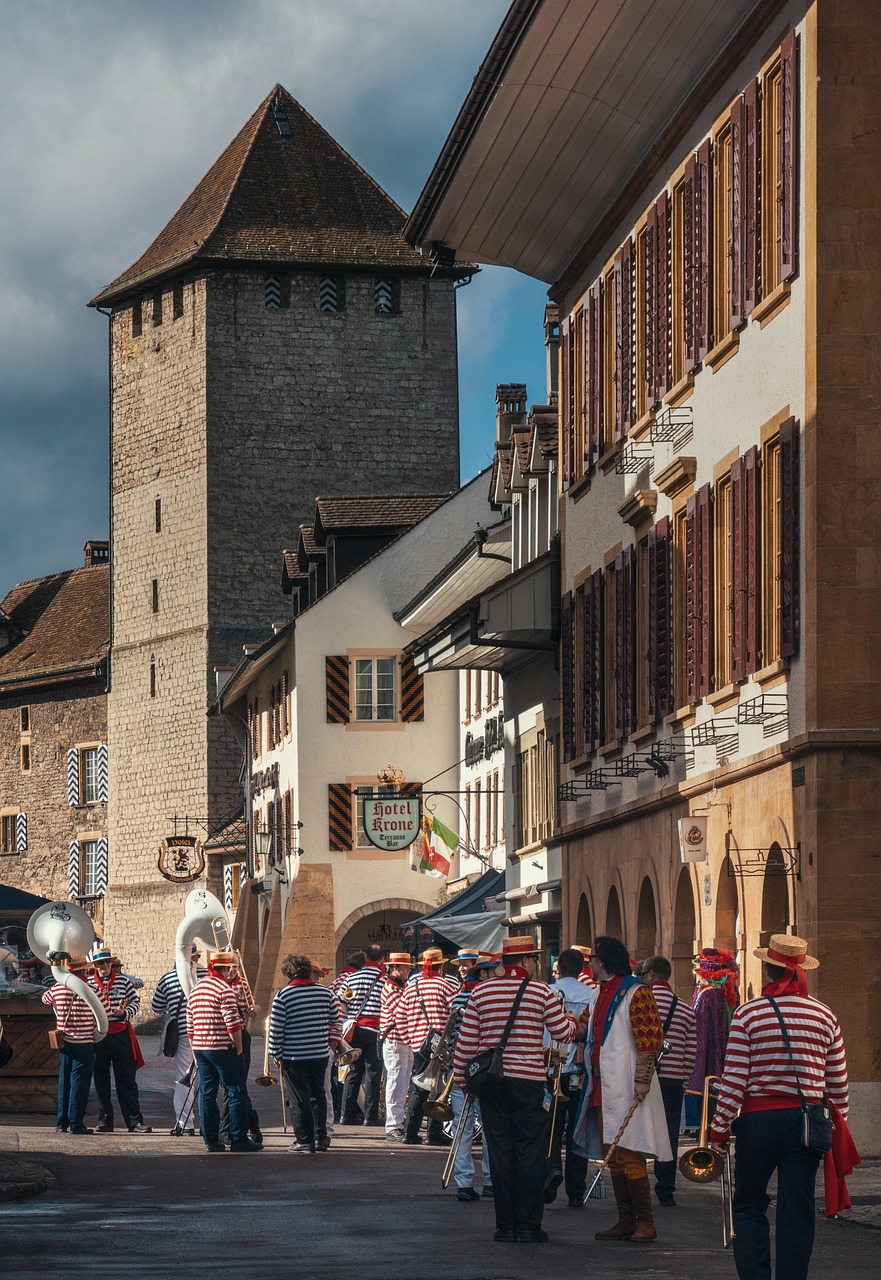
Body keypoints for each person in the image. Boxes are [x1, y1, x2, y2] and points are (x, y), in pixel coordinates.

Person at [709, 934, 849, 1280]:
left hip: (758, 1123)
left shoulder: (748, 1013)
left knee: (749, 1202)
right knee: (796, 1210)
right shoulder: (825, 1015)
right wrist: (835, 1124)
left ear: (767, 970)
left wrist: (719, 1127)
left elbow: (734, 1079)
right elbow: (838, 1085)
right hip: (805, 1123)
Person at [452, 935, 580, 1244]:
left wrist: (461, 1081)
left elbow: (466, 1043)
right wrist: (576, 1022)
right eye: (534, 959)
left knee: (499, 1151)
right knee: (529, 1152)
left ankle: (504, 1226)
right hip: (529, 1082)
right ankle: (529, 1226)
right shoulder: (541, 991)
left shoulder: (480, 992)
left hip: (492, 1083)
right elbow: (562, 1032)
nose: (536, 964)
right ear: (524, 962)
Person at [571, 935, 670, 1243]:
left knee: (629, 1151)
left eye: (593, 959)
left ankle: (645, 1222)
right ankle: (625, 1219)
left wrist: (642, 1079)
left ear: (603, 961)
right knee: (610, 1154)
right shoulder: (597, 992)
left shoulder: (636, 992)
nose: (589, 964)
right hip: (601, 1083)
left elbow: (650, 1039)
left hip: (627, 1084)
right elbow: (583, 1029)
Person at [186, 951, 261, 1153]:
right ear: (226, 969)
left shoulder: (197, 989)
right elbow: (233, 1024)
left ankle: (211, 1140)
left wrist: (195, 1049)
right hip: (222, 1047)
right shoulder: (224, 989)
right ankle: (238, 1139)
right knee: (236, 1091)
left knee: (207, 1093)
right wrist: (239, 1048)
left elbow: (190, 1024)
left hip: (201, 1048)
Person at [269, 953, 342, 1154]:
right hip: (319, 1053)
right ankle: (320, 1137)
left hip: (294, 1056)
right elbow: (335, 1020)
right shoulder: (325, 993)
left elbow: (276, 1031)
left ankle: (304, 1139)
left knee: (299, 1098)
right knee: (318, 1095)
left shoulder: (283, 996)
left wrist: (275, 1053)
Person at [640, 954, 697, 1207]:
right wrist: (682, 1080)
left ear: (651, 975)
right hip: (672, 1081)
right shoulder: (686, 1009)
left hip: (643, 1078)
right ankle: (666, 1190)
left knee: (640, 1130)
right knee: (669, 1134)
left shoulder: (640, 1003)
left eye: (643, 974)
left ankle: (638, 1185)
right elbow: (691, 1052)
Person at [544, 947, 597, 1209]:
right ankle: (576, 1190)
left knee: (550, 1127)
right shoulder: (592, 996)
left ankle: (551, 1170)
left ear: (558, 968)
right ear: (581, 970)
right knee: (578, 1129)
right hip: (580, 1071)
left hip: (552, 1067)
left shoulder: (546, 993)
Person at [447, 951, 498, 1202]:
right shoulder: (496, 999)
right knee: (489, 1128)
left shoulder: (459, 998)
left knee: (462, 1128)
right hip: (487, 1070)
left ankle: (464, 1183)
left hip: (463, 1067)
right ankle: (490, 1180)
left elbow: (454, 1037)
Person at [88, 947, 151, 1133]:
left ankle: (134, 1121)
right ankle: (105, 1120)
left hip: (120, 1033)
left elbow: (135, 1002)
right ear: (95, 965)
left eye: (108, 962)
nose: (105, 966)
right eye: (101, 963)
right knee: (101, 1079)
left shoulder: (123, 981)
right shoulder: (89, 982)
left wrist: (125, 1013)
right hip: (99, 1035)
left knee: (127, 1079)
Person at [399, 946, 456, 1145]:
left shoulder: (411, 987)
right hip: (440, 1044)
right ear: (440, 966)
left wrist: (410, 1039)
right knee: (438, 1089)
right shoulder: (446, 986)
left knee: (417, 1088)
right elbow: (455, 1014)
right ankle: (434, 1134)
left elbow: (400, 1017)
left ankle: (410, 1132)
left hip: (418, 1045)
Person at [42, 955, 100, 1134]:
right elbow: (105, 1011)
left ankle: (61, 1123)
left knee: (64, 1082)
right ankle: (76, 1123)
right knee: (79, 1084)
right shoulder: (93, 989)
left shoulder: (58, 987)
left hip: (64, 1041)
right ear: (83, 971)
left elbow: (45, 999)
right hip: (85, 1042)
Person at [152, 944, 205, 1135]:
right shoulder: (206, 975)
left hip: (183, 1034)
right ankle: (211, 1124)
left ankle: (185, 1124)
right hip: (206, 1033)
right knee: (209, 1079)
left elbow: (156, 1006)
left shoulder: (167, 978)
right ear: (195, 958)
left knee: (184, 1078)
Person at [685, 945, 739, 1128]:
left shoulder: (707, 994)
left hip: (705, 1048)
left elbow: (699, 1025)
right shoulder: (721, 994)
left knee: (703, 1081)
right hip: (719, 1048)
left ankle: (703, 1123)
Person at [339, 945, 385, 1126]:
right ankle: (370, 1117)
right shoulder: (383, 979)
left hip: (353, 1030)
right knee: (373, 1073)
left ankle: (345, 1115)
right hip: (374, 1030)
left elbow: (340, 1001)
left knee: (353, 1071)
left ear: (366, 957)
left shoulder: (351, 977)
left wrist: (348, 1018)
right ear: (381, 959)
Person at [379, 951, 414, 1142]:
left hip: (403, 1041)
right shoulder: (391, 988)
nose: (409, 970)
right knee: (395, 1082)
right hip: (395, 1040)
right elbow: (403, 1011)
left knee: (402, 1082)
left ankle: (398, 1121)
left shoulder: (400, 986)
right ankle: (393, 1125)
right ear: (395, 969)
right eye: (406, 967)